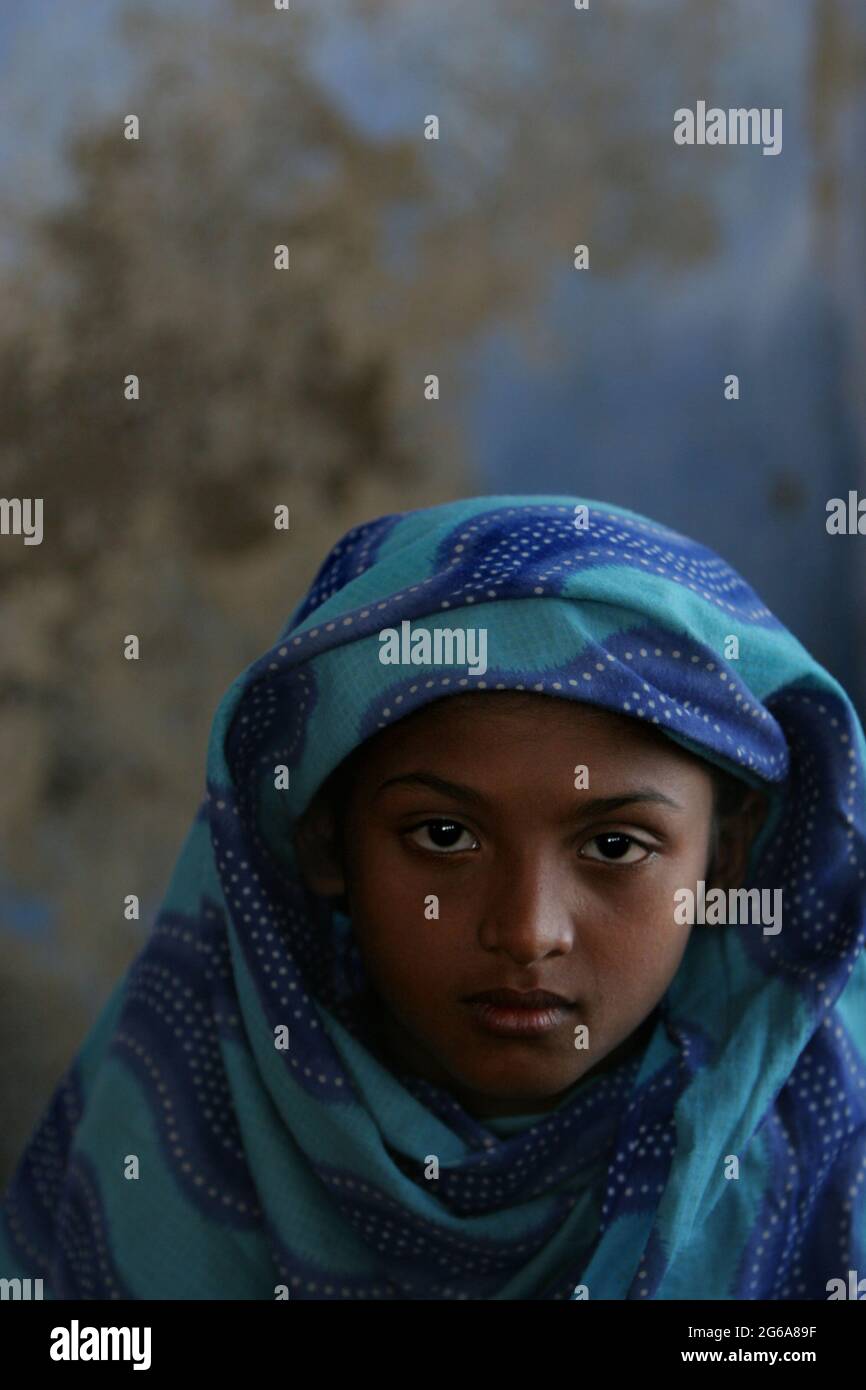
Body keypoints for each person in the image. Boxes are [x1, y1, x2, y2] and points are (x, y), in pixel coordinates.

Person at [1, 493, 864, 1300]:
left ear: (726, 854)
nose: (527, 932)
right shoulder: (178, 1107)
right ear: (324, 838)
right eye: (443, 836)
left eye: (614, 846)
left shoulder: (825, 1145)